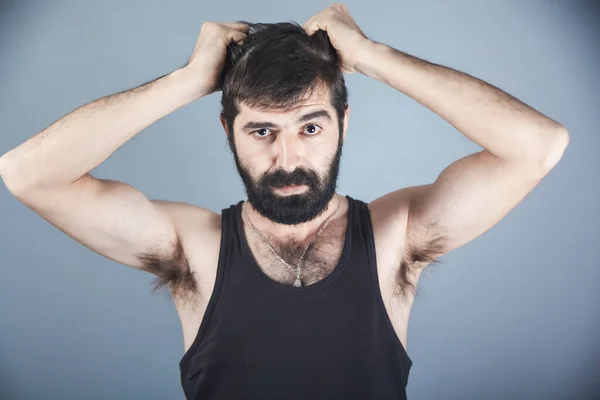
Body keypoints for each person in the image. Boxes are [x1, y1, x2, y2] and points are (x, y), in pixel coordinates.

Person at [0, 4, 569, 399]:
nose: (288, 158)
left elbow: (538, 146)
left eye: (310, 128)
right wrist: (185, 81)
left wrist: (370, 54)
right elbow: (27, 175)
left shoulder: (397, 235)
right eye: (262, 131)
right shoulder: (194, 248)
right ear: (228, 132)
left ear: (343, 124)